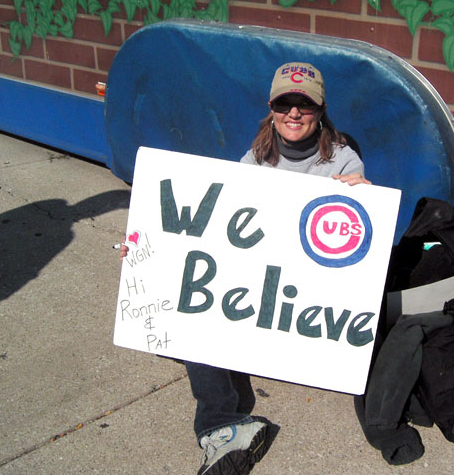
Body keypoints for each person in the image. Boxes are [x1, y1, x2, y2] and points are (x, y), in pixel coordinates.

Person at [120, 61, 370, 475]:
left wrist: (365, 202)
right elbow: (218, 239)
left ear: (321, 110)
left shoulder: (344, 162)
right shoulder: (255, 158)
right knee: (189, 307)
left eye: (304, 105)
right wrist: (150, 251)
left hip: (301, 299)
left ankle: (222, 428)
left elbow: (352, 255)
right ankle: (220, 426)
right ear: (271, 108)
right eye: (284, 103)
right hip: (254, 296)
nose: (293, 113)